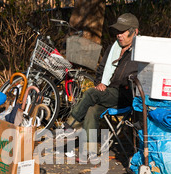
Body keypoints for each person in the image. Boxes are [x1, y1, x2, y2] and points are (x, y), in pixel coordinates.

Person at [57, 13, 139, 160]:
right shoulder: (113, 47)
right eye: (117, 32)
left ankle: (70, 126)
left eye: (123, 31)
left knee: (90, 94)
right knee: (91, 110)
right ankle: (91, 151)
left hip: (125, 94)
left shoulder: (140, 52)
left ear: (135, 32)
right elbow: (101, 69)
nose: (119, 35)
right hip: (109, 92)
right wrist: (99, 83)